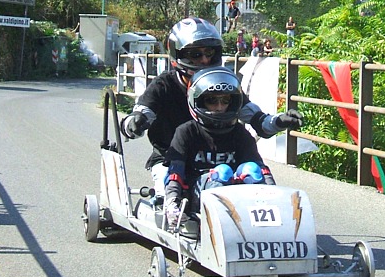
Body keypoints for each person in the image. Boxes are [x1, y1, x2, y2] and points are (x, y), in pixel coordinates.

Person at [120, 17, 302, 196]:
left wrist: (280, 121)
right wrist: (135, 123)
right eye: (195, 55)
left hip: (220, 160)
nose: (205, 60)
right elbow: (139, 114)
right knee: (165, 195)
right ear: (178, 54)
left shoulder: (223, 82)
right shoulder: (163, 85)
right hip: (173, 160)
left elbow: (259, 121)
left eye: (209, 53)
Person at [164, 66, 275, 229]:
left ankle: (263, 224)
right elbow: (175, 173)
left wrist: (277, 198)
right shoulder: (186, 131)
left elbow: (261, 169)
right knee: (222, 172)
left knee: (252, 169)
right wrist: (172, 202)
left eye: (225, 101)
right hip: (198, 195)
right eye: (212, 100)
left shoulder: (240, 132)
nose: (219, 107)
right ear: (199, 101)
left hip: (235, 198)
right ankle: (218, 226)